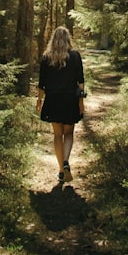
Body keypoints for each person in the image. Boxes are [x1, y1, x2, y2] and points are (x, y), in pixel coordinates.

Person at [36, 26, 85, 183]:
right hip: (70, 99)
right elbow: (81, 82)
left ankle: (60, 170)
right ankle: (65, 162)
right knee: (69, 133)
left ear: (53, 39)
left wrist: (39, 100)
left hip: (53, 100)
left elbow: (42, 84)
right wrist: (81, 102)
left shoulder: (46, 58)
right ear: (67, 39)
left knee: (57, 135)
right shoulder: (75, 56)